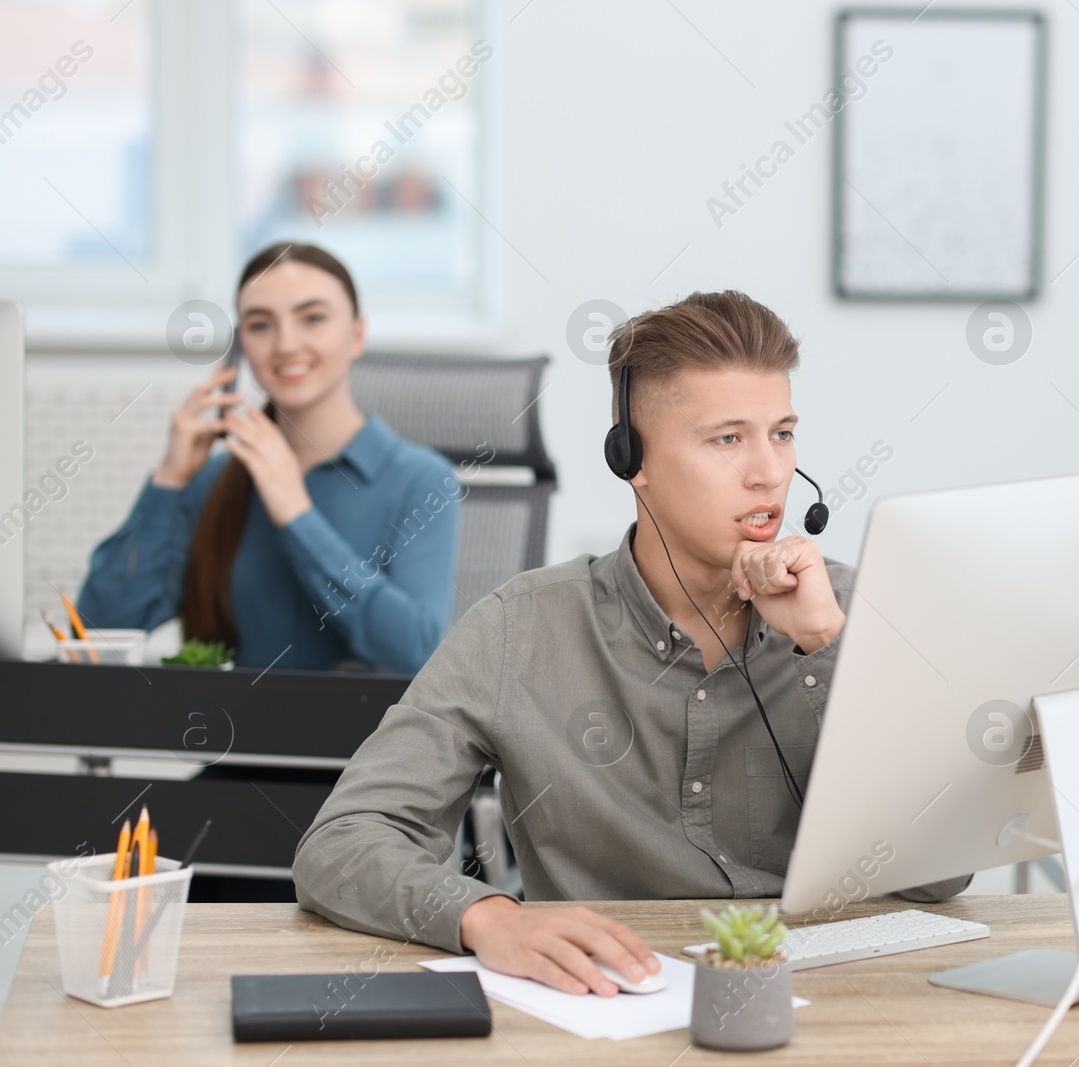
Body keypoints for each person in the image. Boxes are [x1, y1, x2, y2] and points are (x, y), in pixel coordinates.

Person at [292, 291, 971, 997]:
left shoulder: (849, 607)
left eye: (783, 433)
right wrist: (487, 915)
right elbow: (342, 843)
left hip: (850, 1002)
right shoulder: (519, 630)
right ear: (632, 457)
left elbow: (942, 873)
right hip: (615, 999)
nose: (770, 472)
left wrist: (826, 646)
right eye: (728, 438)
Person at [78, 242, 461, 675]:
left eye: (313, 318)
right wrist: (168, 483)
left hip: (358, 742)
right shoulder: (214, 481)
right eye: (260, 325)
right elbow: (99, 633)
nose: (286, 344)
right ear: (242, 347)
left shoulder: (421, 481)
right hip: (231, 736)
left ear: (356, 334)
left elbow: (418, 656)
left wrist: (296, 515)